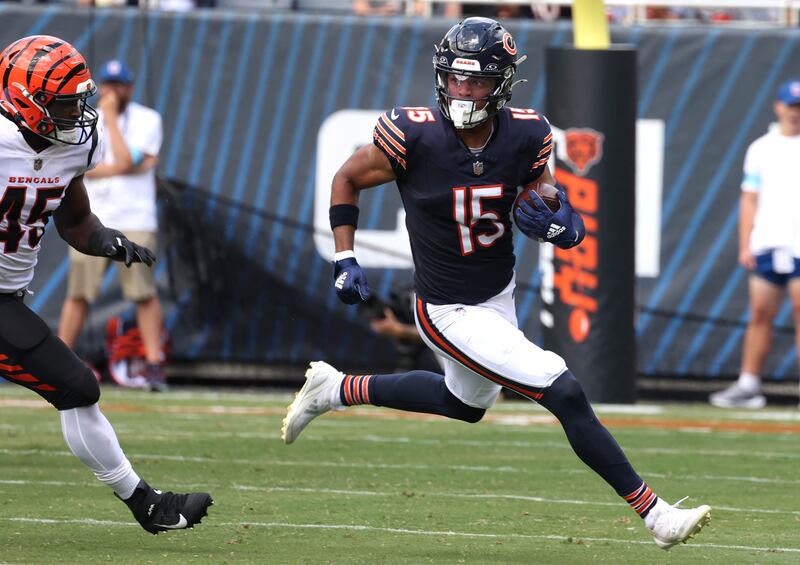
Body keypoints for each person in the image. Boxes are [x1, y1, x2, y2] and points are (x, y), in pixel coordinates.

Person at [282, 18, 712, 550]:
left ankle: (337, 388)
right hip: (447, 309)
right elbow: (346, 176)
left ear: (502, 83)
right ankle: (657, 516)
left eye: (477, 81)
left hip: (496, 297)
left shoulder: (527, 134)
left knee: (463, 404)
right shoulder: (413, 133)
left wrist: (564, 220)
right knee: (564, 390)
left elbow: (547, 194)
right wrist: (344, 255)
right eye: (455, 78)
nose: (463, 90)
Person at [0, 35, 212, 533]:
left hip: (6, 296)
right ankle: (146, 504)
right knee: (77, 385)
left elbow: (75, 221)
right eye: (63, 103)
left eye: (79, 100)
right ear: (23, 101)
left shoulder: (74, 146)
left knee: (77, 389)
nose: (76, 113)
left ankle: (148, 506)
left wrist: (107, 242)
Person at [57, 59, 167, 392]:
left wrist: (111, 123)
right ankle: (58, 361)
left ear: (130, 87)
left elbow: (120, 161)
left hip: (135, 218)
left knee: (143, 293)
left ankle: (154, 364)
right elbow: (76, 167)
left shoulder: (148, 119)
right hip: (91, 218)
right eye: (108, 84)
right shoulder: (82, 118)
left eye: (120, 85)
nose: (113, 91)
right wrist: (113, 165)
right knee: (79, 292)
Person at [710, 80, 800, 409]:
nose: (795, 114)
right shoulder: (761, 147)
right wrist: (745, 243)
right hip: (768, 240)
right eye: (791, 107)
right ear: (779, 107)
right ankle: (748, 384)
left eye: (799, 108)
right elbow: (749, 199)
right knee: (760, 313)